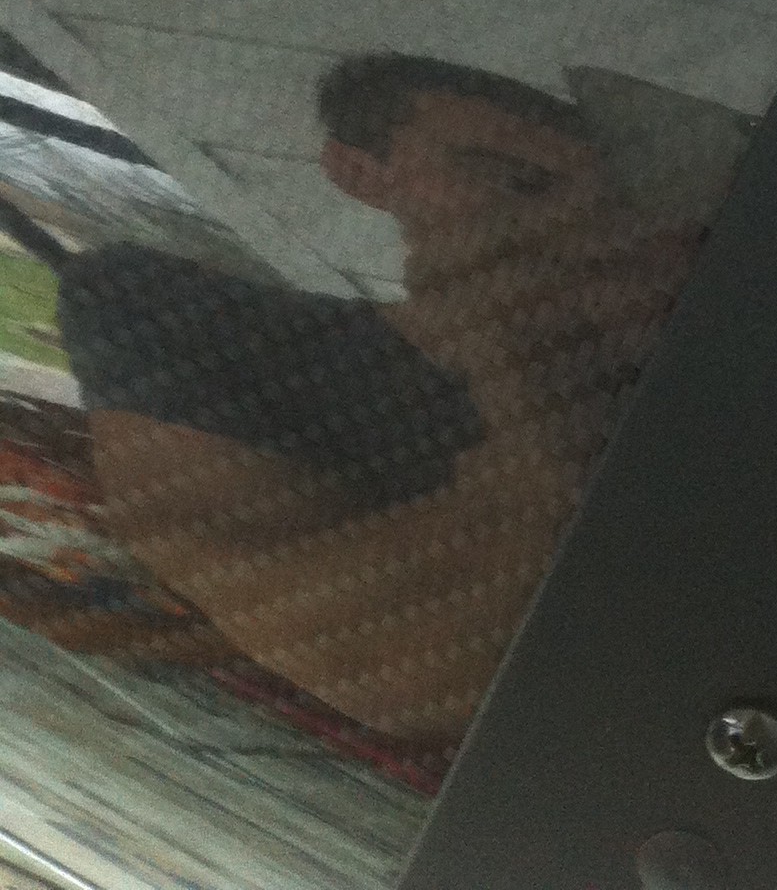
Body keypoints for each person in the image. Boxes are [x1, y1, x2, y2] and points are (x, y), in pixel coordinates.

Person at [58, 56, 704, 744]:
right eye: (512, 179)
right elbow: (393, 674)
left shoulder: (702, 377)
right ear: (359, 173)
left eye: (618, 199)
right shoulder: (193, 333)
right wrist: (512, 365)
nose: (579, 219)